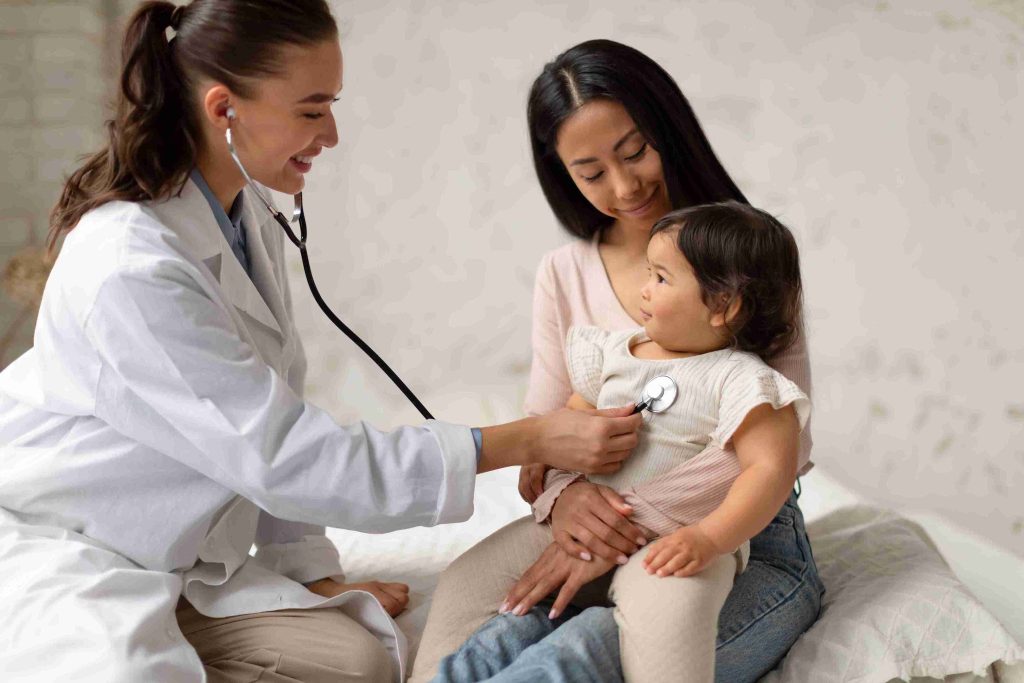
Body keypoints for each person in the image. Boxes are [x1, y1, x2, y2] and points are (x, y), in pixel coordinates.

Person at [0, 4, 643, 682]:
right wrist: (529, 438)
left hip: (173, 559)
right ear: (224, 108)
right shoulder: (130, 266)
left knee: (360, 659)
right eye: (311, 111)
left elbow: (275, 411)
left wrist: (309, 573)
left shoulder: (244, 218)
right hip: (72, 543)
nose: (331, 133)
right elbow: (287, 456)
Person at [410, 40, 824, 682]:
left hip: (738, 534)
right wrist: (569, 501)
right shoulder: (563, 274)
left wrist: (628, 523)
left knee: (595, 645)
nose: (626, 185)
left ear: (670, 131)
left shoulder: (747, 256)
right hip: (587, 524)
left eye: (635, 152)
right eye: (592, 170)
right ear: (562, 173)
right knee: (494, 622)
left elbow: (778, 451)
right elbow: (547, 440)